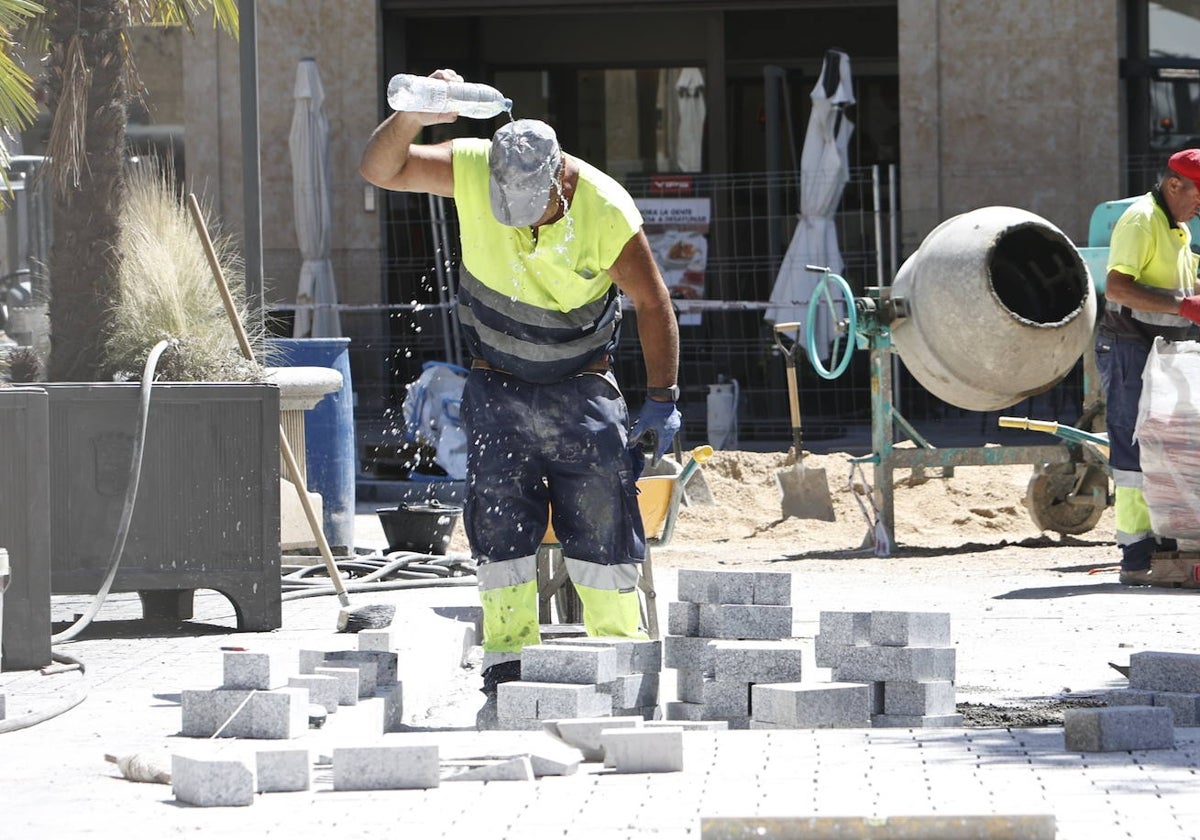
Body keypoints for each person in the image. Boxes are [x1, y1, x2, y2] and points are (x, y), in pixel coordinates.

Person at [359, 69, 681, 718]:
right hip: (497, 386)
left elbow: (653, 303)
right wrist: (417, 117)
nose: (518, 222)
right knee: (500, 531)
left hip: (581, 388)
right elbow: (380, 169)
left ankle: (621, 674)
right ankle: (507, 674)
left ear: (560, 180)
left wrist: (664, 396)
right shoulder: (479, 167)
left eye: (529, 211)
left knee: (602, 527)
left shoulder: (605, 209)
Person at [1097, 147, 1200, 585]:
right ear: (1174, 184)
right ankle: (1136, 554)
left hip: (1160, 350)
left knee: (1165, 440)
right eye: (1198, 195)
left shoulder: (1177, 225)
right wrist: (1184, 306)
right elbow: (1118, 287)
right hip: (1129, 348)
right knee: (1134, 442)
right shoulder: (1142, 219)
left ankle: (1163, 541)